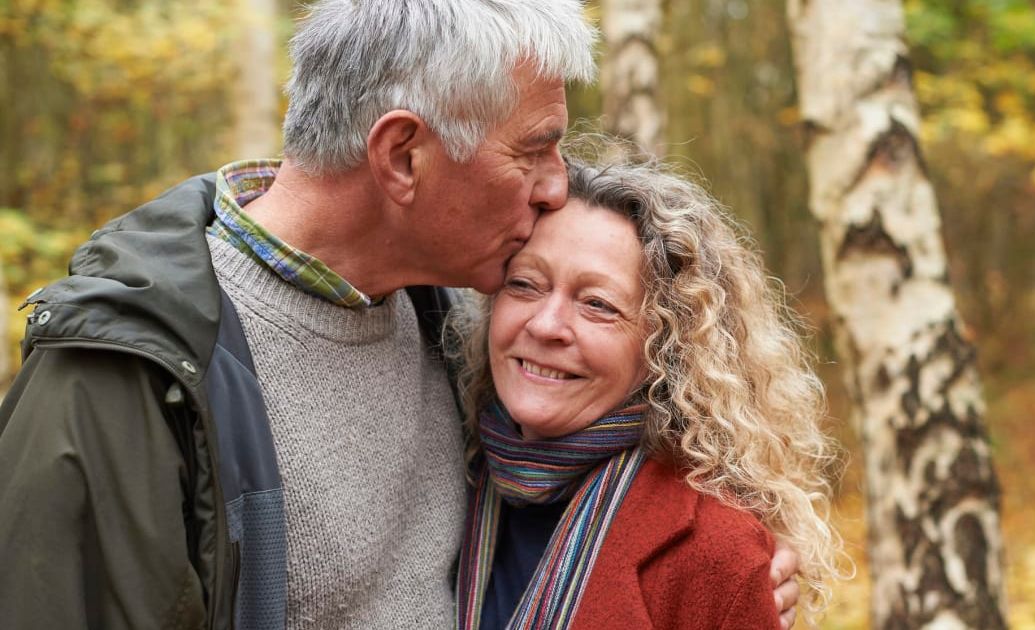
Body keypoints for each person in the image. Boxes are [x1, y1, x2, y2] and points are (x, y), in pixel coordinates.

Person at [0, 1, 803, 629]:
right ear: (403, 156)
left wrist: (726, 578)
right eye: (532, 150)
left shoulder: (452, 319)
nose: (556, 186)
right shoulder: (125, 377)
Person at [448, 152, 841, 629]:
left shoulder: (719, 555)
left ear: (666, 347)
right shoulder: (448, 459)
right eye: (525, 284)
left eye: (597, 305)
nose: (547, 324)